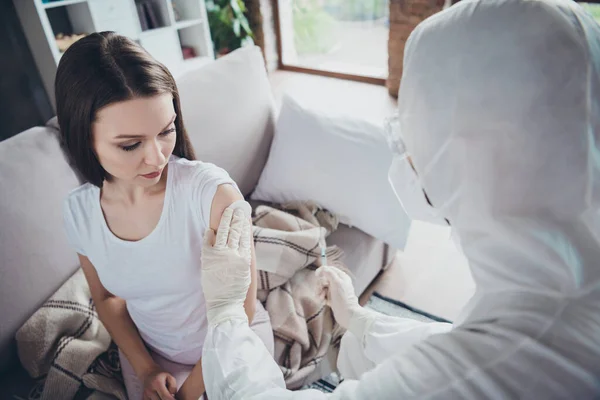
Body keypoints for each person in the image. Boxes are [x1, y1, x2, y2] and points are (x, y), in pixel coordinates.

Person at [199, 0, 600, 398]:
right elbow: (457, 340)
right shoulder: (557, 290)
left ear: (465, 153)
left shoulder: (492, 365)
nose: (406, 157)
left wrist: (229, 315)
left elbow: (458, 366)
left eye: (412, 134)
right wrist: (360, 321)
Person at [57, 32, 274, 400]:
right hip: (151, 358)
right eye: (131, 144)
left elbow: (241, 309)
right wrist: (147, 369)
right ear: (83, 137)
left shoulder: (213, 195)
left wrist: (190, 392)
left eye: (166, 130)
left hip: (231, 348)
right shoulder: (79, 213)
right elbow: (107, 300)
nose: (157, 157)